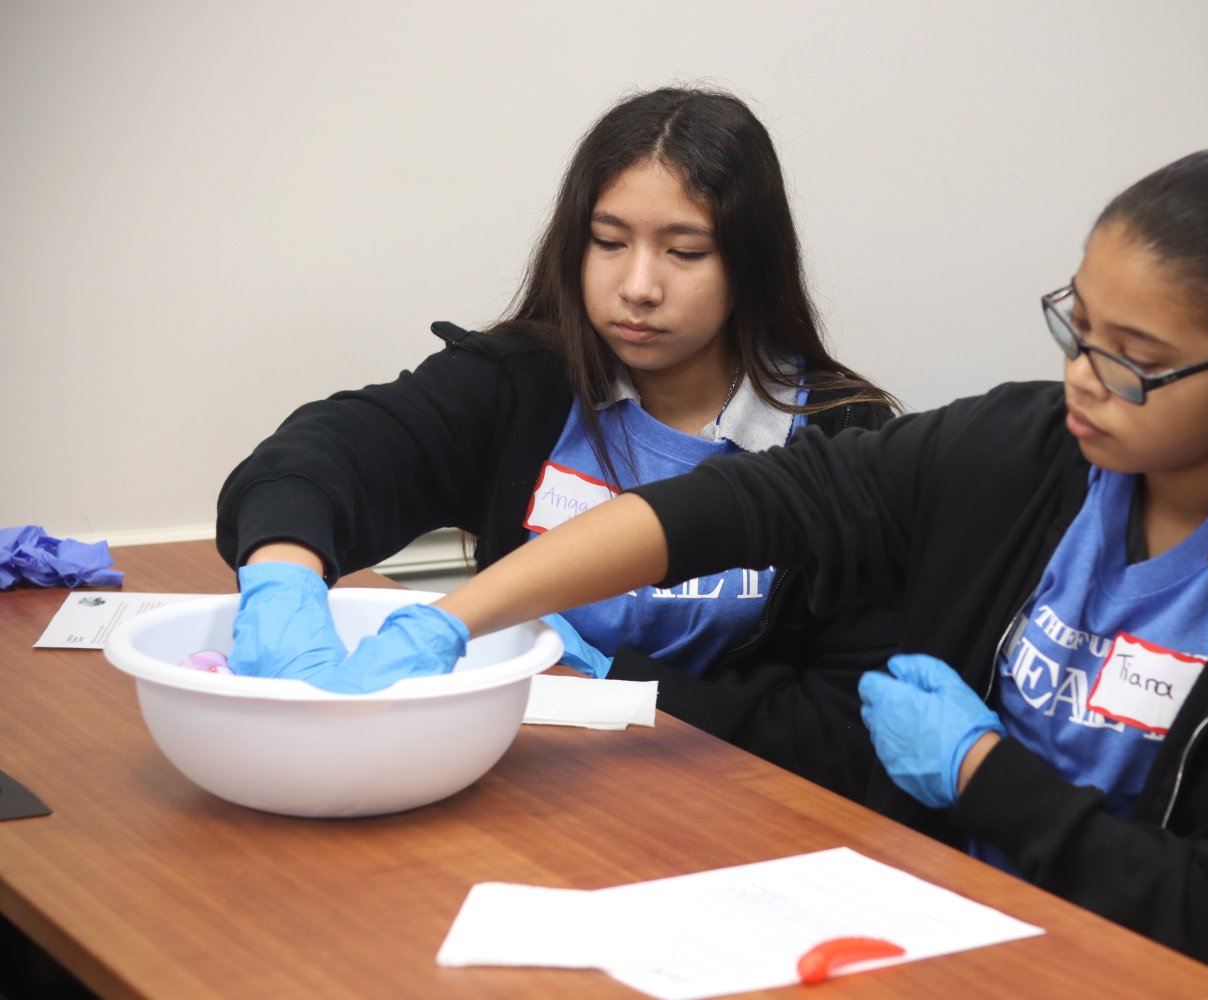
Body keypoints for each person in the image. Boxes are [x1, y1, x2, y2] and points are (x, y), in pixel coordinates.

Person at [340, 146, 1208, 997]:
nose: (1082, 375)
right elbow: (756, 502)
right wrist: (471, 616)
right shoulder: (1033, 453)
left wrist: (985, 776)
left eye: (1135, 361)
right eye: (1080, 324)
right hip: (938, 924)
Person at [215, 86, 898, 799]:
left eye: (685, 252)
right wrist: (282, 578)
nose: (638, 286)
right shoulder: (521, 383)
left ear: (750, 265)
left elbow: (841, 733)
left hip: (729, 804)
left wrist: (609, 680)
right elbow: (324, 455)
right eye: (608, 243)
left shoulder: (843, 437)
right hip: (516, 790)